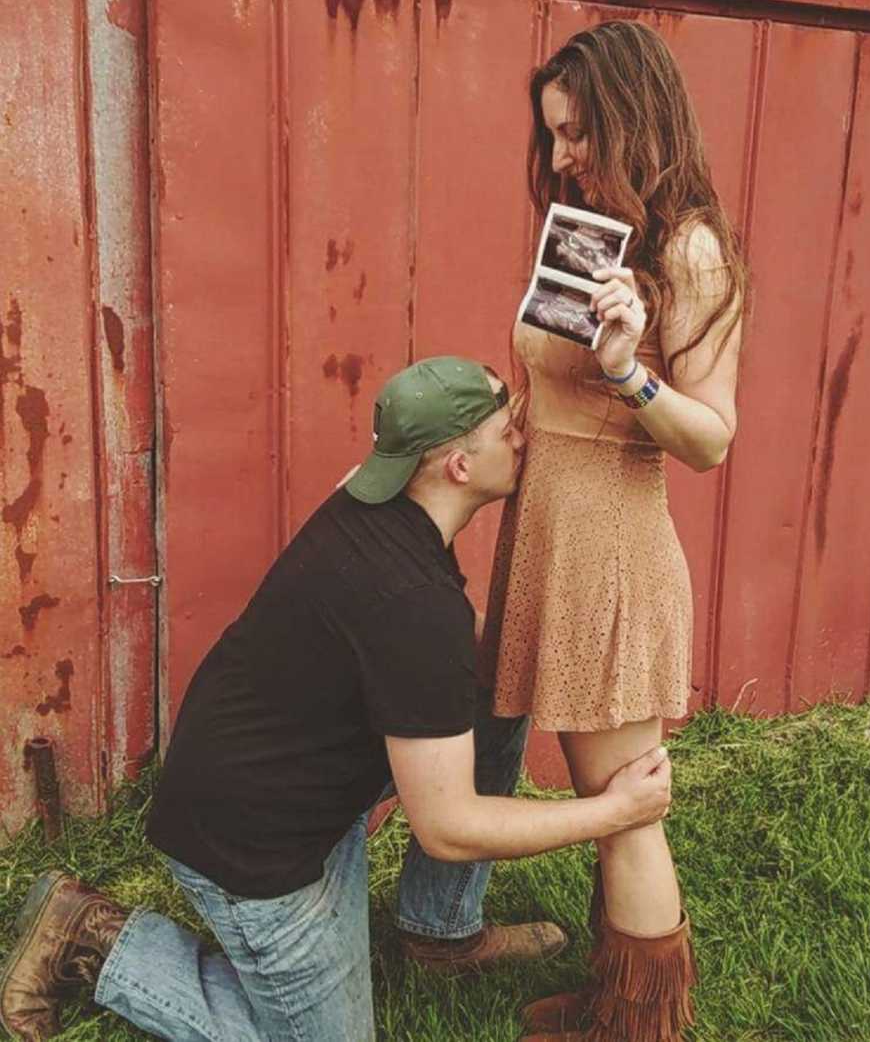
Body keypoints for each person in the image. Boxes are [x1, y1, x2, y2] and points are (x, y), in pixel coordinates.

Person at [0, 356, 673, 1042]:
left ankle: (440, 929)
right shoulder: (412, 607)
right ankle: (89, 936)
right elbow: (448, 825)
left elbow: (461, 657)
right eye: (509, 430)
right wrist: (610, 811)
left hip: (284, 771)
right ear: (458, 468)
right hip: (252, 848)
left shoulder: (378, 492)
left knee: (495, 689)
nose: (524, 438)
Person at [481, 21, 747, 1042]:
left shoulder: (689, 250)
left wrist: (634, 372)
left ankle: (643, 1028)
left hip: (611, 551)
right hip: (550, 528)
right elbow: (553, 376)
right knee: (604, 793)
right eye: (552, 137)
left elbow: (712, 439)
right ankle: (611, 998)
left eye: (578, 132)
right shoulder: (593, 230)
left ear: (635, 115)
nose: (561, 159)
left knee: (624, 803)